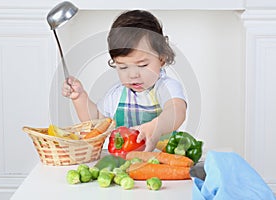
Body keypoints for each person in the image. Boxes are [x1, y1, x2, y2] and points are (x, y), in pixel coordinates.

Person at [62, 10, 187, 152]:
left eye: (142, 65)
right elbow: (96, 122)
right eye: (123, 67)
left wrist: (155, 127)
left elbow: (176, 111)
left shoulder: (166, 87)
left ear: (161, 59)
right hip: (123, 167)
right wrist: (79, 97)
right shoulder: (117, 95)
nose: (133, 75)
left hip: (163, 165)